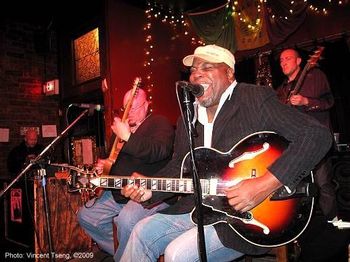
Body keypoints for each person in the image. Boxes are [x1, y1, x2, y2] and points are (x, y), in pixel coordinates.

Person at [119, 44, 333, 261]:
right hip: (199, 209)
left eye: (207, 67)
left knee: (178, 254)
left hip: (246, 218)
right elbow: (179, 165)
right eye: (193, 70)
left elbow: (316, 136)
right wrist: (151, 188)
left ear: (229, 73)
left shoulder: (254, 98)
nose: (197, 74)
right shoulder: (188, 115)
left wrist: (265, 183)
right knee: (141, 233)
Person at [77, 88, 175, 261]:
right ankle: (127, 254)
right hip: (118, 191)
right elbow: (116, 162)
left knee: (126, 220)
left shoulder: (159, 122)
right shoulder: (123, 131)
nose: (129, 112)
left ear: (146, 105)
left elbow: (160, 151)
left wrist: (128, 136)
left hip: (148, 193)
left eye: (134, 107)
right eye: (126, 108)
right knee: (86, 216)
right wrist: (105, 165)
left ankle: (128, 255)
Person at [276, 48, 337, 220]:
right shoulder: (281, 89)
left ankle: (332, 221)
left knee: (323, 183)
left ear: (299, 61)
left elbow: (329, 101)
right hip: (294, 145)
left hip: (317, 141)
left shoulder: (316, 76)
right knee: (295, 187)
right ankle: (300, 224)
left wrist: (306, 101)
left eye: (287, 58)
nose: (283, 62)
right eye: (281, 60)